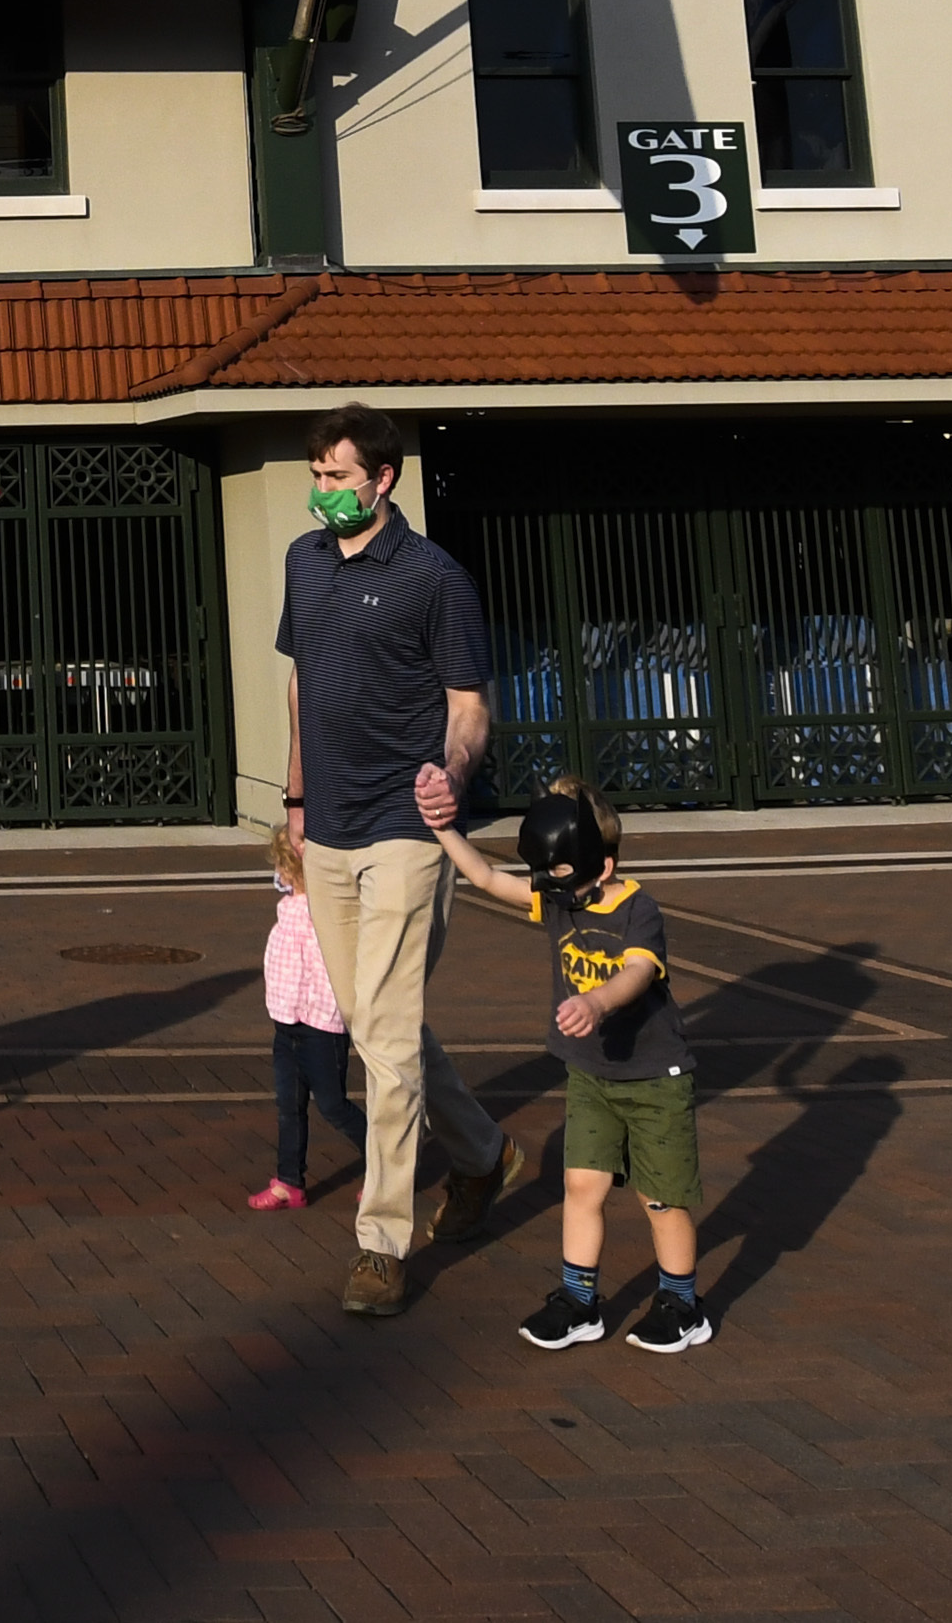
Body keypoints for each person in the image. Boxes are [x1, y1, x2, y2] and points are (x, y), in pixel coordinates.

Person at [273, 401, 523, 1316]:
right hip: (329, 826)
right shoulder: (304, 563)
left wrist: (451, 770)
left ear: (383, 479)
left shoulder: (434, 577)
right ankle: (486, 1152)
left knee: (380, 1034)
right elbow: (300, 683)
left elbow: (468, 705)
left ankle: (380, 1241)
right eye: (317, 473)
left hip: (408, 829)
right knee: (379, 1022)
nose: (323, 490)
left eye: (338, 475)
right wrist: (295, 801)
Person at [416, 764, 710, 1355]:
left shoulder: (637, 910)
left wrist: (597, 1003)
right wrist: (444, 828)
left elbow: (635, 973)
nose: (553, 894)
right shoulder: (559, 896)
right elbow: (488, 879)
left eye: (562, 879)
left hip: (655, 1081)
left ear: (603, 865)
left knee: (661, 1198)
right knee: (580, 1186)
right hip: (592, 1076)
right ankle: (580, 1303)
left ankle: (681, 1303)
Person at [251, 818, 369, 1210]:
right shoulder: (288, 897)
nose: (278, 874)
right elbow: (285, 876)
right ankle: (289, 1180)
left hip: (323, 1024)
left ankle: (386, 1168)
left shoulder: (329, 907)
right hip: (287, 1021)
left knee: (333, 1105)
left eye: (283, 866)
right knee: (289, 1104)